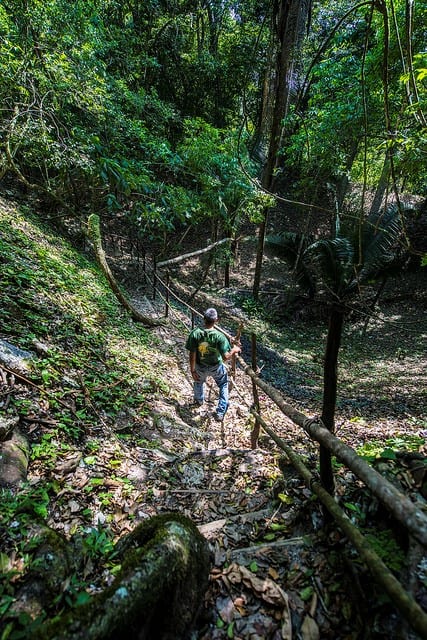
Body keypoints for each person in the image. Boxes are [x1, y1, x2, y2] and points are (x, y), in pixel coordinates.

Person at [185, 307, 241, 422]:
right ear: (216, 320)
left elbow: (192, 354)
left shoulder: (195, 333)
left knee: (198, 382)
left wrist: (192, 370)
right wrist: (234, 349)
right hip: (216, 366)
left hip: (200, 365)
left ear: (204, 318)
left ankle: (199, 401)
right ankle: (220, 412)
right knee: (223, 385)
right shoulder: (220, 336)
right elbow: (225, 356)